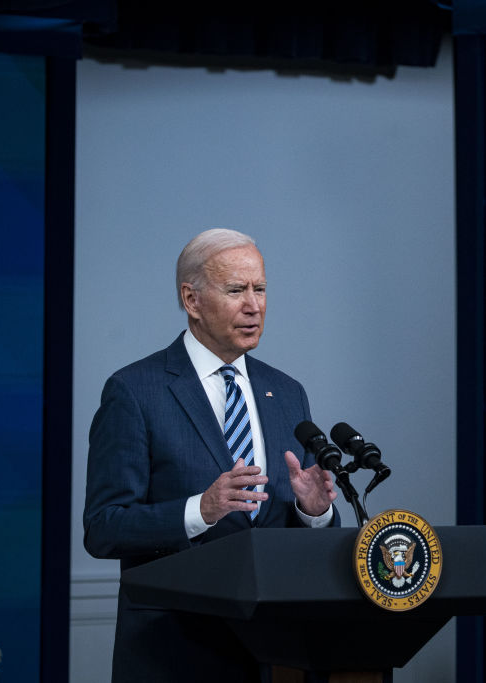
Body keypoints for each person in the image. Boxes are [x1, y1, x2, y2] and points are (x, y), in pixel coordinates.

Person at [83, 229, 338, 682]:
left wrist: (312, 511)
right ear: (192, 300)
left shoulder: (288, 394)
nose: (254, 305)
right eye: (236, 290)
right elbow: (104, 528)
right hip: (175, 653)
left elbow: (296, 534)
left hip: (276, 654)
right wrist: (198, 510)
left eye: (260, 289)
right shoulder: (134, 392)